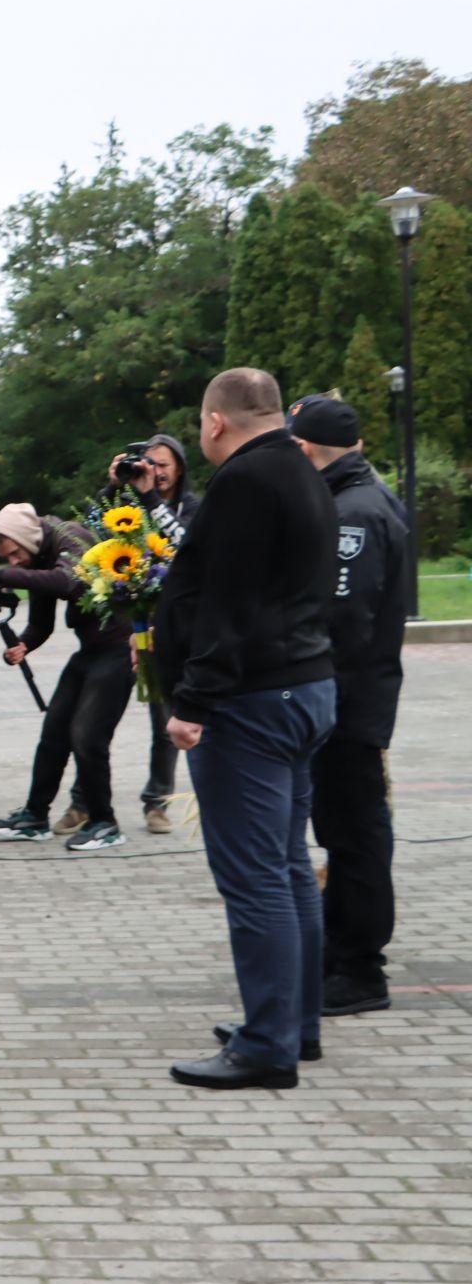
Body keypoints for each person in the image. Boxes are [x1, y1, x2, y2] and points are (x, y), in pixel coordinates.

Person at [155, 367, 338, 1091]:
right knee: (288, 863)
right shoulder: (303, 470)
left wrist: (192, 701)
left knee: (255, 875)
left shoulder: (244, 481)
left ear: (215, 423)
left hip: (251, 699)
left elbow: (228, 602)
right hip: (305, 684)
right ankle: (297, 1024)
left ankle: (268, 1044)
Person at [287, 394, 408, 1019]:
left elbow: (343, 619)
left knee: (356, 837)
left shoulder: (353, 514)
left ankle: (361, 969)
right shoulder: (358, 497)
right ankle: (342, 953)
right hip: (351, 697)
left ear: (307, 450)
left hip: (346, 702)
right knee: (346, 832)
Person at [0, 504, 133, 852]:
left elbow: (67, 582)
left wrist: (2, 575)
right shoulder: (37, 556)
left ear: (27, 538)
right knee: (54, 732)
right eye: (6, 558)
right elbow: (42, 622)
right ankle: (34, 818)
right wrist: (23, 645)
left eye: (15, 554)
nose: (14, 562)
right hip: (90, 652)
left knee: (87, 736)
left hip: (121, 649)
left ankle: (105, 822)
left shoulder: (69, 538)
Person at [105, 434, 203, 834]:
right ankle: (84, 802)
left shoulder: (194, 507)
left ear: (179, 466)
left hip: (178, 630)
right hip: (132, 626)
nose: (156, 473)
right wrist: (114, 486)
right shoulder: (129, 501)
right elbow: (103, 528)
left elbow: (185, 546)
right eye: (150, 464)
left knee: (168, 718)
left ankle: (157, 802)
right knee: (94, 721)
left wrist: (150, 500)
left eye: (164, 465)